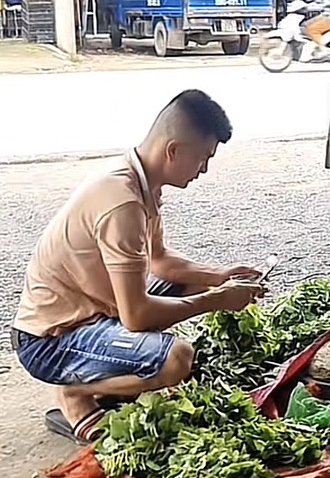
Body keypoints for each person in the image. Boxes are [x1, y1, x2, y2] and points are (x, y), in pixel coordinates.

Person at [11, 89, 264, 444]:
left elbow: (160, 263)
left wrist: (217, 279)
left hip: (94, 313)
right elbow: (136, 317)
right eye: (203, 158)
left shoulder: (142, 182)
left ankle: (110, 379)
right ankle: (77, 394)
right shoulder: (122, 202)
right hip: (50, 341)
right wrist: (218, 300)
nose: (204, 170)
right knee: (177, 358)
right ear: (173, 150)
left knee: (195, 286)